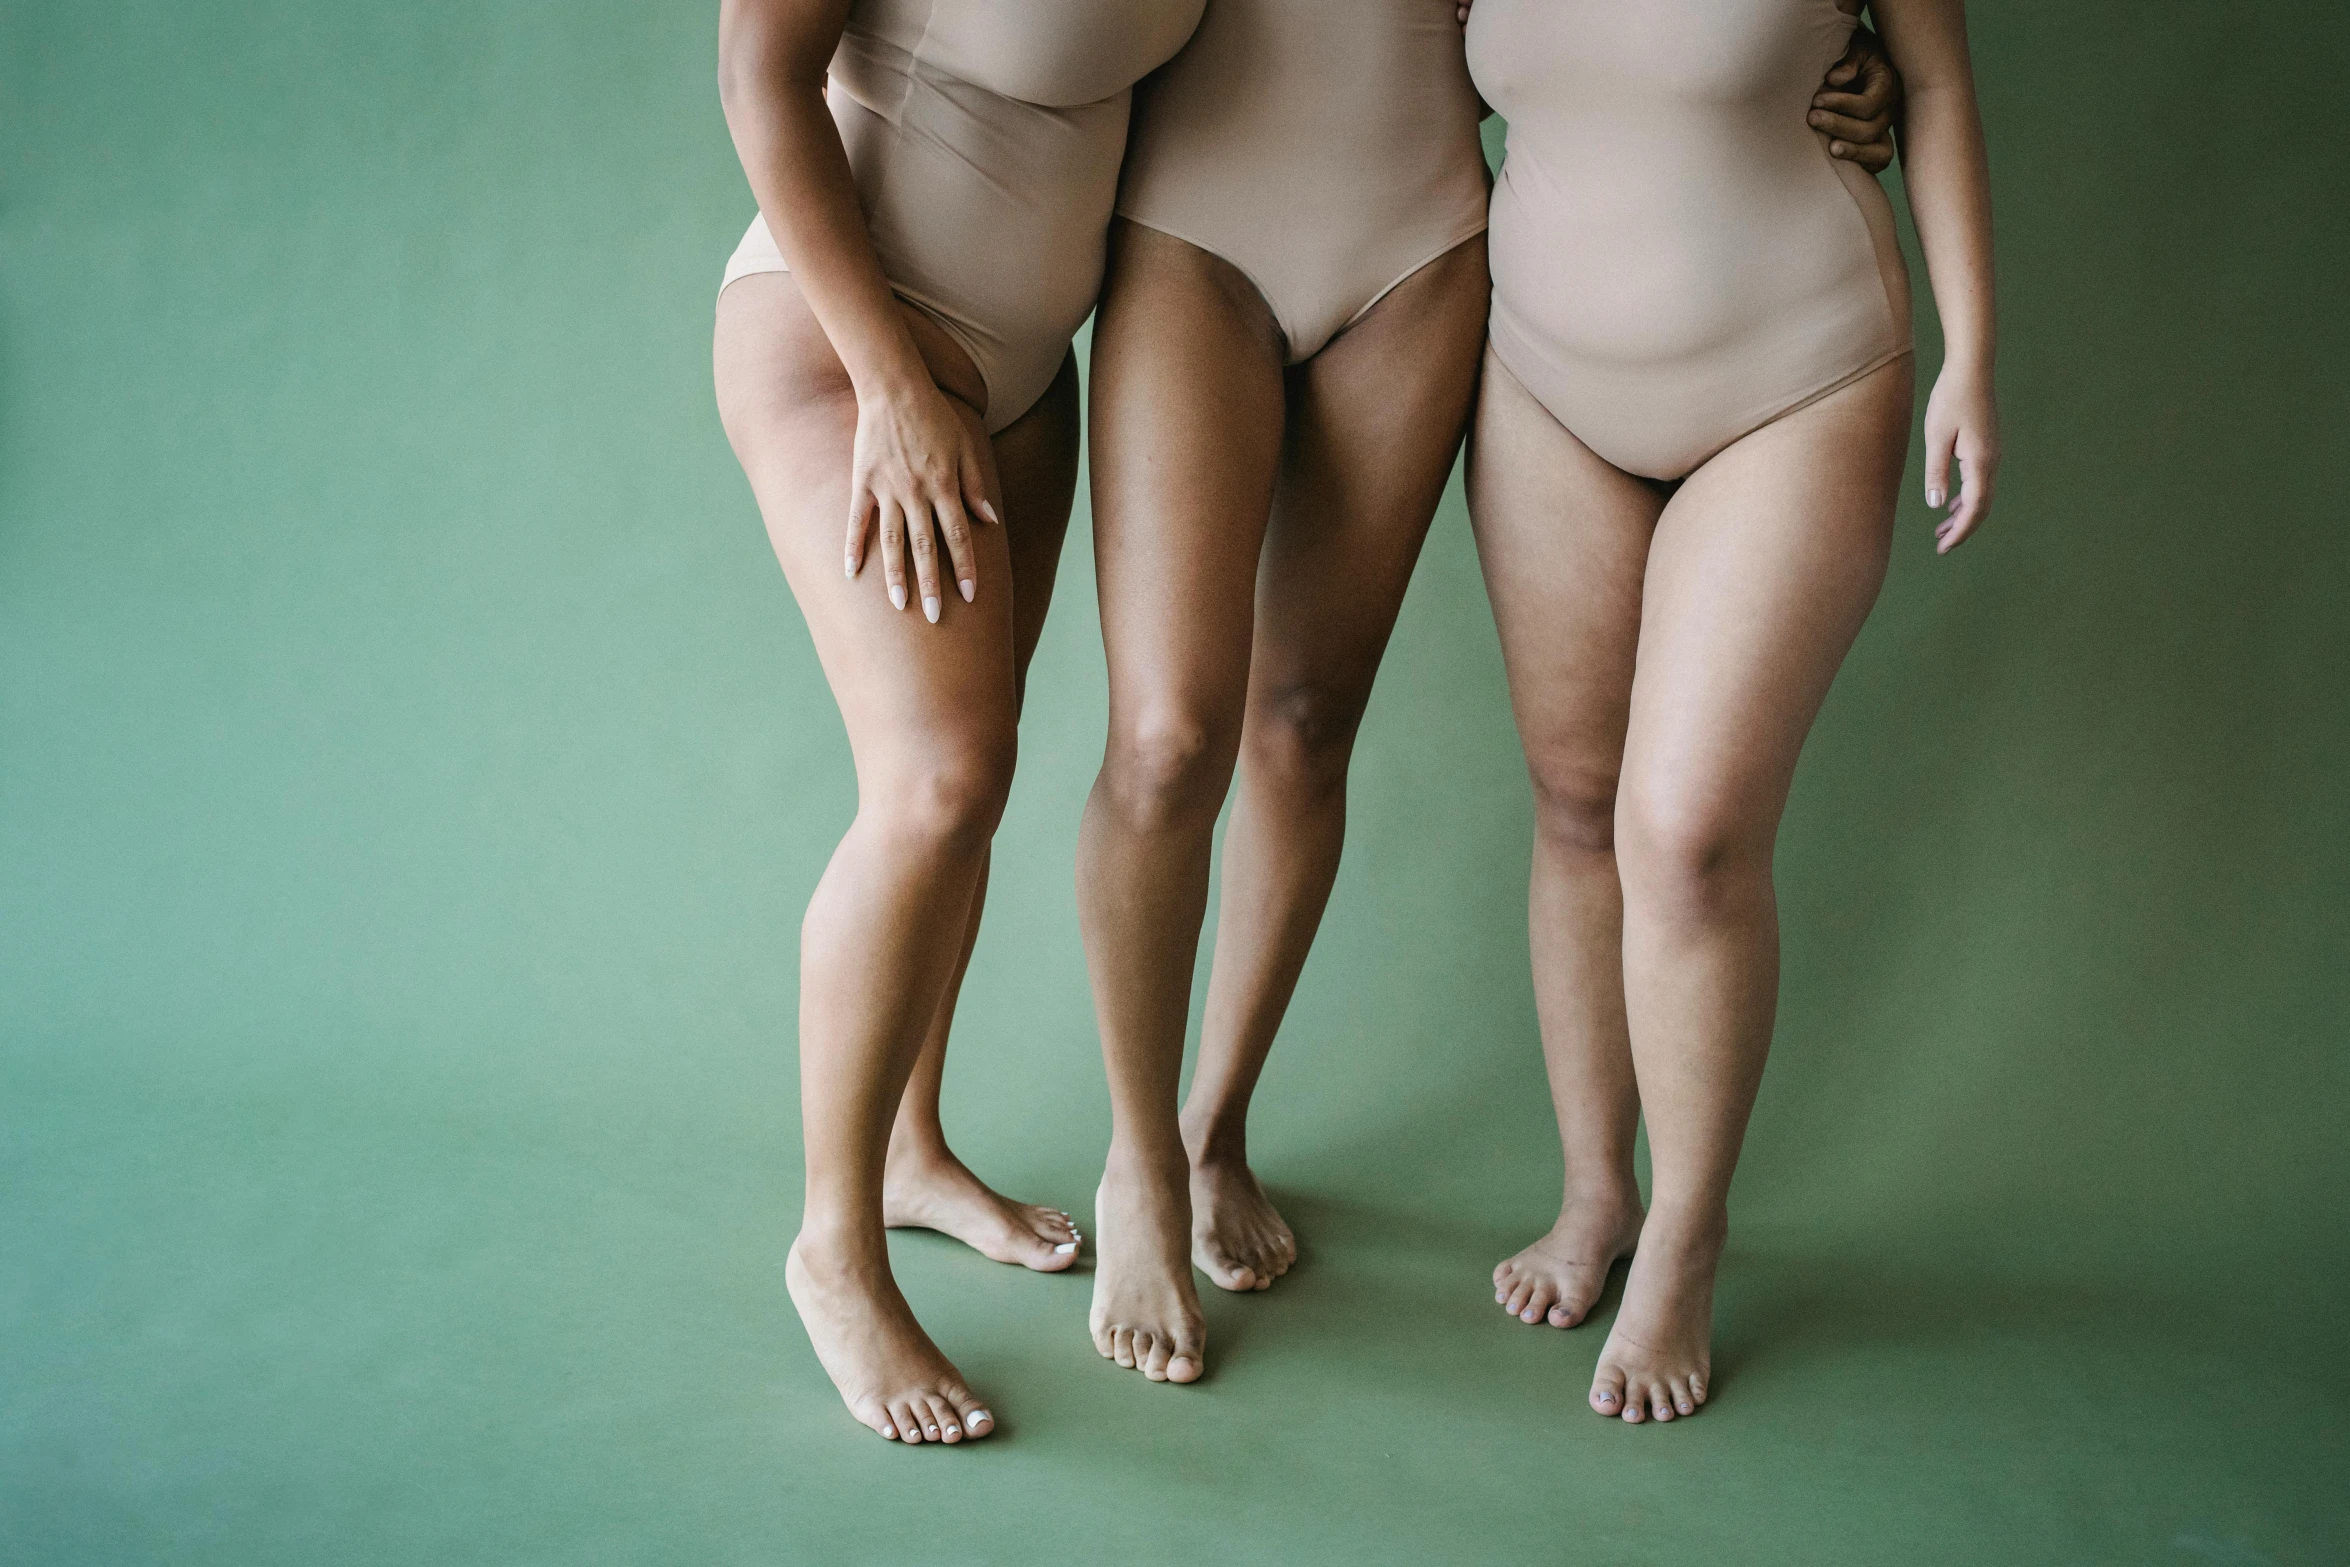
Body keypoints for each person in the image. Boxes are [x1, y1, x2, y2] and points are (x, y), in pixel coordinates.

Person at [1073, 0, 1904, 1386]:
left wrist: (1830, 60)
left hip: (1426, 243)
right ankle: (1137, 1159)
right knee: (1165, 741)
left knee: (1303, 723)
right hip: (1191, 221)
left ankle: (1211, 1128)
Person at [1463, 0, 1999, 1422]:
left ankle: (1687, 1235)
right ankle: (1596, 1192)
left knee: (1687, 831)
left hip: (1795, 374)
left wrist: (1970, 354)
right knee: (1575, 799)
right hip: (1539, 380)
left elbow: (1934, 85)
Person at [708, 0, 1203, 1444]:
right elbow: (760, 71)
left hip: (1025, 381)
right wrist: (887, 384)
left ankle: (911, 1151)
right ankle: (832, 1246)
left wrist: (1832, 65)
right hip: (846, 353)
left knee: (969, 791)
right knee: (933, 780)